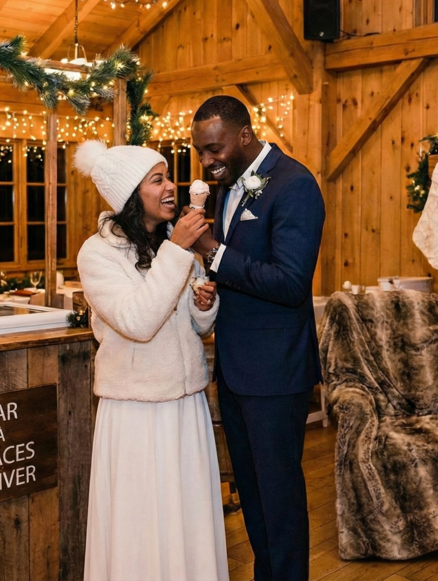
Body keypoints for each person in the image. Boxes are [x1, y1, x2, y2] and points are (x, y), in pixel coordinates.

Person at [74, 140, 229, 581]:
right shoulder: (98, 253)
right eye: (157, 179)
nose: (171, 186)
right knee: (141, 523)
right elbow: (137, 322)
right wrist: (180, 251)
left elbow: (195, 330)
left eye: (168, 176)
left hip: (185, 404)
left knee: (187, 517)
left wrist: (203, 305)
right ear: (129, 195)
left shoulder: (168, 241)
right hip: (137, 411)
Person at [188, 96, 326, 580]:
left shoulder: (295, 184)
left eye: (214, 149)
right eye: (200, 152)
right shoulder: (230, 188)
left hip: (275, 371)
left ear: (244, 136)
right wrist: (212, 290)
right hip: (236, 367)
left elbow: (290, 283)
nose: (207, 162)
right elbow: (242, 276)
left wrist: (212, 251)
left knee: (279, 498)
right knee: (251, 493)